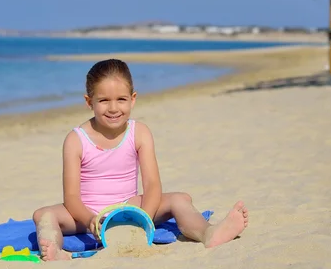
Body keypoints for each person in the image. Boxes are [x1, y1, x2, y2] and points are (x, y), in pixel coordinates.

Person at [32, 58, 249, 261]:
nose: (114, 108)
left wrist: (143, 217)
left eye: (121, 99)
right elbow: (71, 197)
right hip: (87, 214)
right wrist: (90, 220)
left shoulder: (140, 132)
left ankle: (208, 233)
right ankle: (56, 251)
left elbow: (152, 183)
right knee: (43, 215)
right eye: (104, 100)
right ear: (89, 102)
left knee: (180, 198)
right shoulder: (76, 139)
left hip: (129, 207)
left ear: (133, 99)